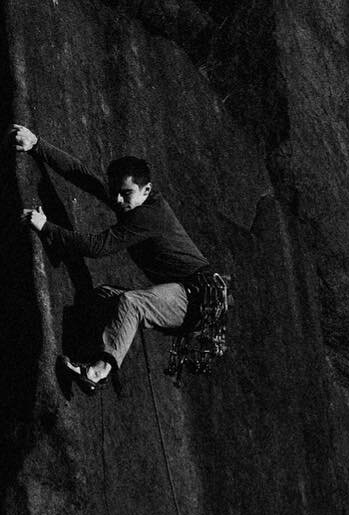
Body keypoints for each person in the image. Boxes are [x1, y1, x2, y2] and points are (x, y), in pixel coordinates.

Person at [14, 124, 210, 392]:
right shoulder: (131, 198)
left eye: (126, 193)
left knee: (132, 304)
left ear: (147, 189)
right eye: (115, 191)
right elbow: (86, 177)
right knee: (103, 298)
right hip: (186, 290)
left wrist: (46, 227)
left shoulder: (149, 216)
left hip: (198, 297)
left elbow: (97, 247)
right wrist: (37, 145)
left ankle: (97, 373)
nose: (118, 199)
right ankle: (93, 357)